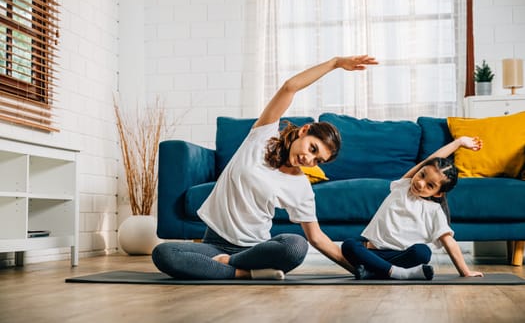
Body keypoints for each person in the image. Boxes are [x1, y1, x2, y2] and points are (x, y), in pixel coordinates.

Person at [152, 55, 378, 280]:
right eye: (312, 148)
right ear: (304, 130)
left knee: (295, 245)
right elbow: (290, 87)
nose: (310, 159)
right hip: (214, 244)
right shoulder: (262, 137)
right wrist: (335, 63)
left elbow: (317, 238)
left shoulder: (300, 187)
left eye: (318, 160)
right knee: (164, 253)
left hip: (255, 251)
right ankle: (243, 274)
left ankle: (229, 266)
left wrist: (359, 269)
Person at [341, 136, 485, 280]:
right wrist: (458, 143)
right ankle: (396, 273)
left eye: (430, 185)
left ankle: (376, 270)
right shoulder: (403, 186)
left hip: (401, 256)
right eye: (422, 175)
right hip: (372, 251)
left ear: (438, 193)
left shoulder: (434, 211)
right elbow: (429, 160)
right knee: (349, 245)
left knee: (423, 253)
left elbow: (449, 242)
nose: (421, 183)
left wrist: (465, 271)